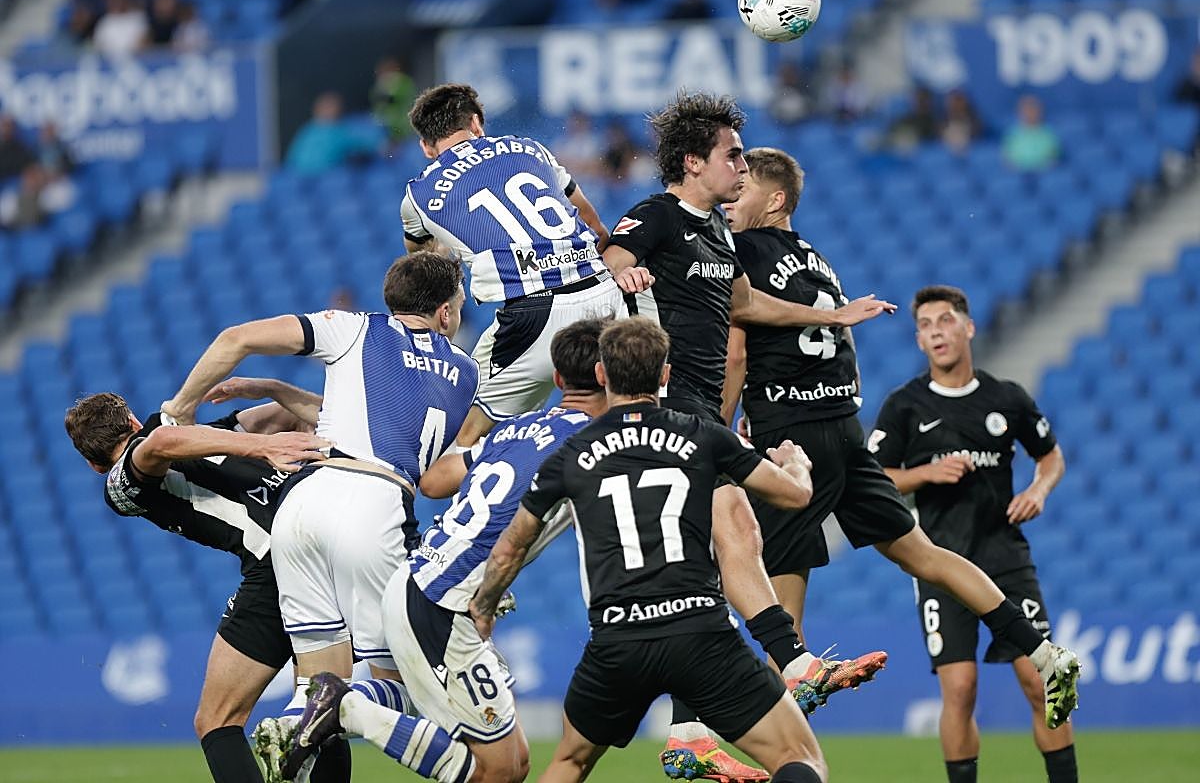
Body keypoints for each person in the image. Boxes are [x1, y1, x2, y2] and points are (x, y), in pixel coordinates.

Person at [720, 150, 1081, 741]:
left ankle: (789, 753)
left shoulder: (743, 253)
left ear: (777, 200)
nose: (731, 198)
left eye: (744, 189)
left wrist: (722, 429)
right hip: (844, 429)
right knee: (924, 555)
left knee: (782, 631)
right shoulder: (816, 261)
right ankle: (1042, 653)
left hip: (793, 442)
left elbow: (736, 346)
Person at [603, 92, 895, 781]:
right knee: (737, 527)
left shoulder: (716, 233)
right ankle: (788, 667)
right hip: (668, 402)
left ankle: (690, 730)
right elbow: (612, 250)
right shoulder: (658, 214)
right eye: (731, 153)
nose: (741, 161)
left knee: (718, 551)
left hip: (703, 406)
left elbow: (745, 304)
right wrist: (625, 269)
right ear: (693, 161)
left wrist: (835, 316)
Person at [468, 317, 829, 783]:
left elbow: (508, 551)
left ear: (602, 375)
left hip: (617, 642)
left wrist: (483, 608)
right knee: (800, 757)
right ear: (664, 375)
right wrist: (796, 464)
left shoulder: (571, 454)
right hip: (700, 633)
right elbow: (794, 497)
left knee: (570, 762)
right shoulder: (704, 436)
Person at [160, 253, 479, 780]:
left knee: (316, 688)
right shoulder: (466, 375)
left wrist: (178, 412)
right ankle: (301, 719)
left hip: (303, 503)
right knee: (391, 694)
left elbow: (233, 339)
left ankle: (296, 720)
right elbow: (421, 459)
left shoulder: (349, 329)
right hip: (376, 505)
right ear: (445, 314)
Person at [280, 318, 611, 783]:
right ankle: (348, 706)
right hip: (449, 604)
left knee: (514, 764)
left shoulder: (515, 430)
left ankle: (349, 701)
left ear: (558, 379)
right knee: (496, 773)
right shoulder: (598, 446)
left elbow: (435, 481)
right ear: (608, 375)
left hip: (421, 577)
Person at [63, 389, 345, 783]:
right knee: (322, 701)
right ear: (131, 422)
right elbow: (294, 411)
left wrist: (264, 436)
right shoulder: (156, 454)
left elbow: (165, 439)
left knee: (217, 720)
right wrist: (273, 408)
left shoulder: (124, 481)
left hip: (276, 561)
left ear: (93, 464)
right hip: (329, 547)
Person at [870, 285, 1077, 783]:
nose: (936, 331)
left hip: (1004, 554)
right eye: (925, 324)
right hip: (940, 561)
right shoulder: (905, 406)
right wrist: (925, 474)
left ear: (968, 327)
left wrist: (1039, 491)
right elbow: (874, 477)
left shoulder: (1006, 398)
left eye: (945, 320)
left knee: (1039, 680)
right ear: (919, 340)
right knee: (959, 688)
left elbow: (1051, 457)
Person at [401, 83, 625, 448]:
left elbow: (421, 259)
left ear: (426, 147)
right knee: (619, 424)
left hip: (531, 316)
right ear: (476, 123)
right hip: (603, 294)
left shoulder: (418, 194)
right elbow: (595, 226)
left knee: (461, 440)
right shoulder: (531, 148)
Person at [285, 92, 378, 175]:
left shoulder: (307, 129)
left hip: (303, 177)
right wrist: (380, 146)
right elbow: (360, 143)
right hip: (323, 176)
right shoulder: (335, 130)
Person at [1002, 95, 1059, 171]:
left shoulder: (1049, 133)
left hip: (1043, 172)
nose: (1029, 113)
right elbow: (1006, 158)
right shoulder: (1012, 133)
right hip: (1018, 172)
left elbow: (1054, 157)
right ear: (1019, 112)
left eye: (1033, 109)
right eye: (1026, 109)